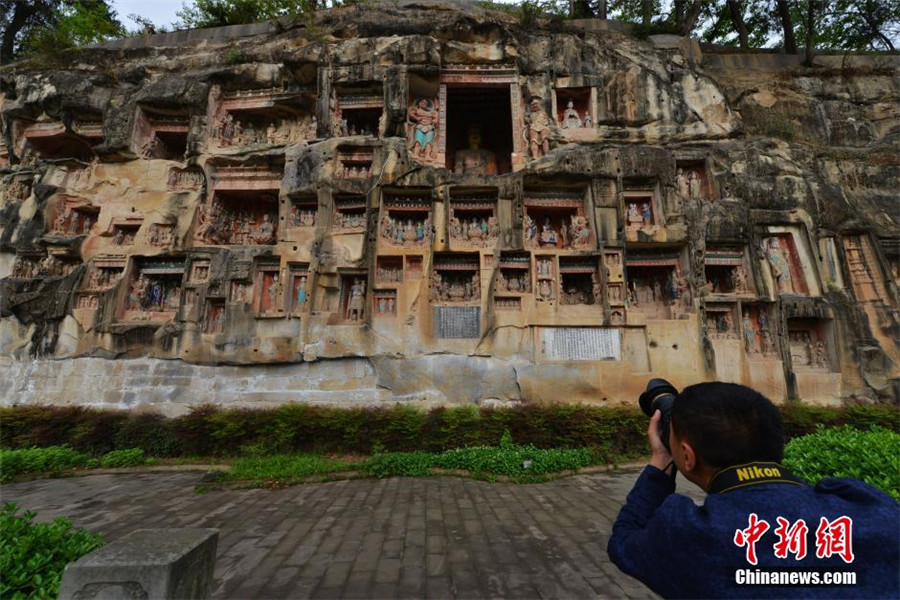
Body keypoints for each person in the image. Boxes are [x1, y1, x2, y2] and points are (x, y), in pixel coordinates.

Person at [607, 382, 900, 600]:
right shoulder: (871, 509)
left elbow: (625, 540)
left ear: (687, 455)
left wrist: (660, 461)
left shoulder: (692, 536)